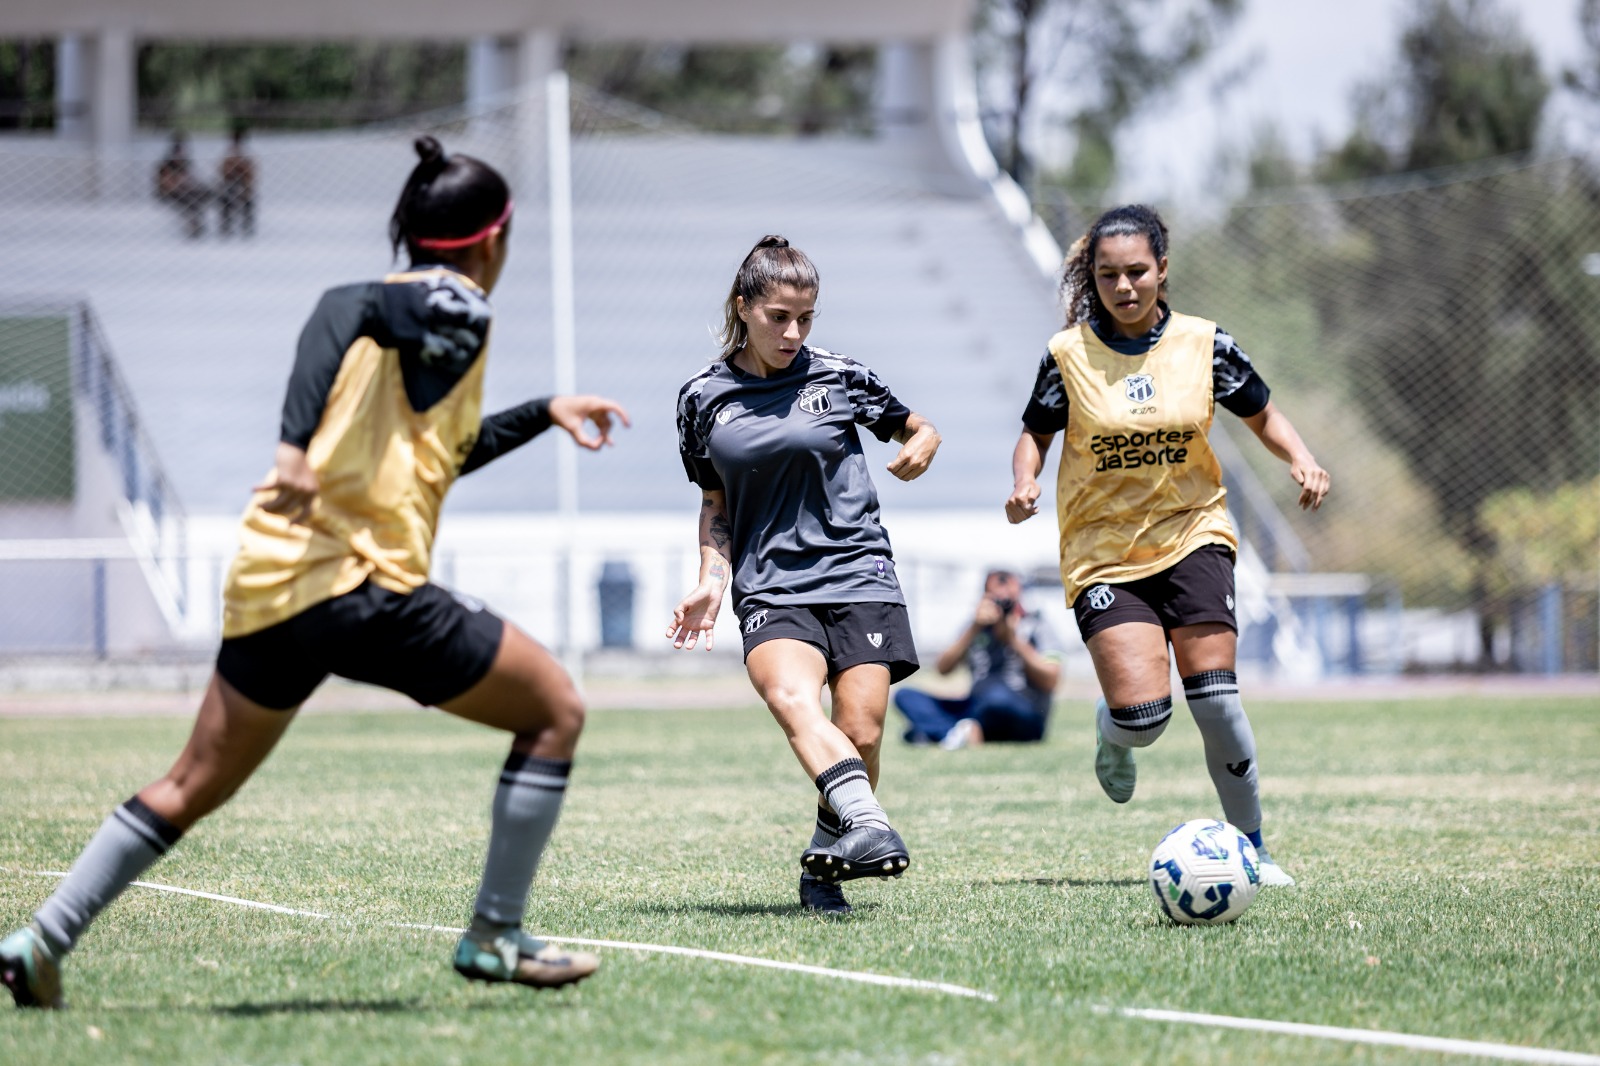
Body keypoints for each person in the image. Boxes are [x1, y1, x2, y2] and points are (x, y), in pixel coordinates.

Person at [2, 136, 629, 1010]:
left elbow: (439, 454)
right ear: (495, 239)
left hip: (276, 583)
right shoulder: (452, 303)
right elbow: (339, 303)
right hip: (361, 584)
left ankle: (41, 939)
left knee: (191, 783)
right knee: (555, 708)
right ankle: (493, 935)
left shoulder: (422, 323)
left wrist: (543, 412)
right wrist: (291, 448)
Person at [1005, 204, 1329, 888]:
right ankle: (1112, 729)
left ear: (1162, 269)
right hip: (1103, 552)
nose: (1123, 287)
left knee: (1215, 700)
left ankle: (1254, 851)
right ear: (1092, 279)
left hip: (1194, 531)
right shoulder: (1068, 354)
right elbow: (1035, 431)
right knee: (1145, 717)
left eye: (1136, 272)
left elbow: (1261, 411)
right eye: (1107, 275)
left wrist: (1300, 457)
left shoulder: (1205, 344)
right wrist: (1025, 482)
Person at [668, 235, 941, 917]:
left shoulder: (839, 375)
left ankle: (825, 861)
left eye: (805, 319)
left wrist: (921, 446)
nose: (793, 333)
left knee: (864, 731)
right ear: (743, 306)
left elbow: (917, 426)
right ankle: (869, 823)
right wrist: (711, 577)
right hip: (771, 584)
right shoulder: (701, 398)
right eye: (778, 318)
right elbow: (715, 503)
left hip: (858, 571)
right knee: (794, 699)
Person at [893, 569, 1061, 749]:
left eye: (1007, 599)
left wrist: (1013, 640)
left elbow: (1050, 680)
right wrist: (974, 628)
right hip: (979, 706)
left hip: (1022, 710)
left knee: (995, 697)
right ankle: (953, 733)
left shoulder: (1036, 624)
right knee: (906, 696)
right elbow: (942, 669)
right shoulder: (976, 625)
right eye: (995, 598)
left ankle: (937, 731)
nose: (1001, 602)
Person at [154, 131, 212, 239]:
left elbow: (192, 178)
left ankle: (195, 223)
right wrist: (179, 183)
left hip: (186, 191)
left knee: (201, 194)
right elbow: (165, 184)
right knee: (190, 199)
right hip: (172, 192)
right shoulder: (166, 164)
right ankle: (193, 225)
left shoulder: (185, 163)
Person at [219, 127, 257, 237]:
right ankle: (226, 228)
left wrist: (246, 184)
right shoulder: (227, 154)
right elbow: (223, 171)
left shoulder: (247, 154)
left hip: (243, 184)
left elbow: (251, 172)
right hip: (229, 185)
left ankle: (247, 228)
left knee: (247, 202)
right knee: (225, 200)